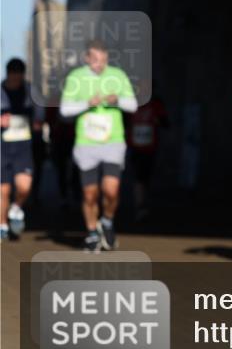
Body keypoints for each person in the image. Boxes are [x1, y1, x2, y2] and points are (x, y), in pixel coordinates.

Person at [59, 40, 138, 252]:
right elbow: (64, 110)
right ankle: (92, 232)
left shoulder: (117, 76)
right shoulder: (76, 78)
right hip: (86, 144)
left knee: (111, 191)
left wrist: (117, 100)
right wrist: (87, 103)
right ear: (87, 58)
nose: (99, 64)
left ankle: (108, 221)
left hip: (113, 142)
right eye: (94, 59)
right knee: (89, 194)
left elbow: (133, 105)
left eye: (103, 60)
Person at [1, 58, 44, 241]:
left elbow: (40, 114)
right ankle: (3, 225)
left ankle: (16, 207)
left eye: (19, 77)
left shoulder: (31, 91)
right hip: (2, 148)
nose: (16, 81)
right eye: (13, 77)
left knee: (24, 187)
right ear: (8, 74)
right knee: (3, 190)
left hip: (23, 147)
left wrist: (37, 123)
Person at [125, 90, 169, 222]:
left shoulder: (156, 104)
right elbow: (124, 121)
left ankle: (143, 204)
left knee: (146, 178)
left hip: (150, 148)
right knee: (139, 177)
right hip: (135, 148)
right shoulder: (131, 103)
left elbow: (166, 123)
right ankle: (140, 207)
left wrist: (158, 121)